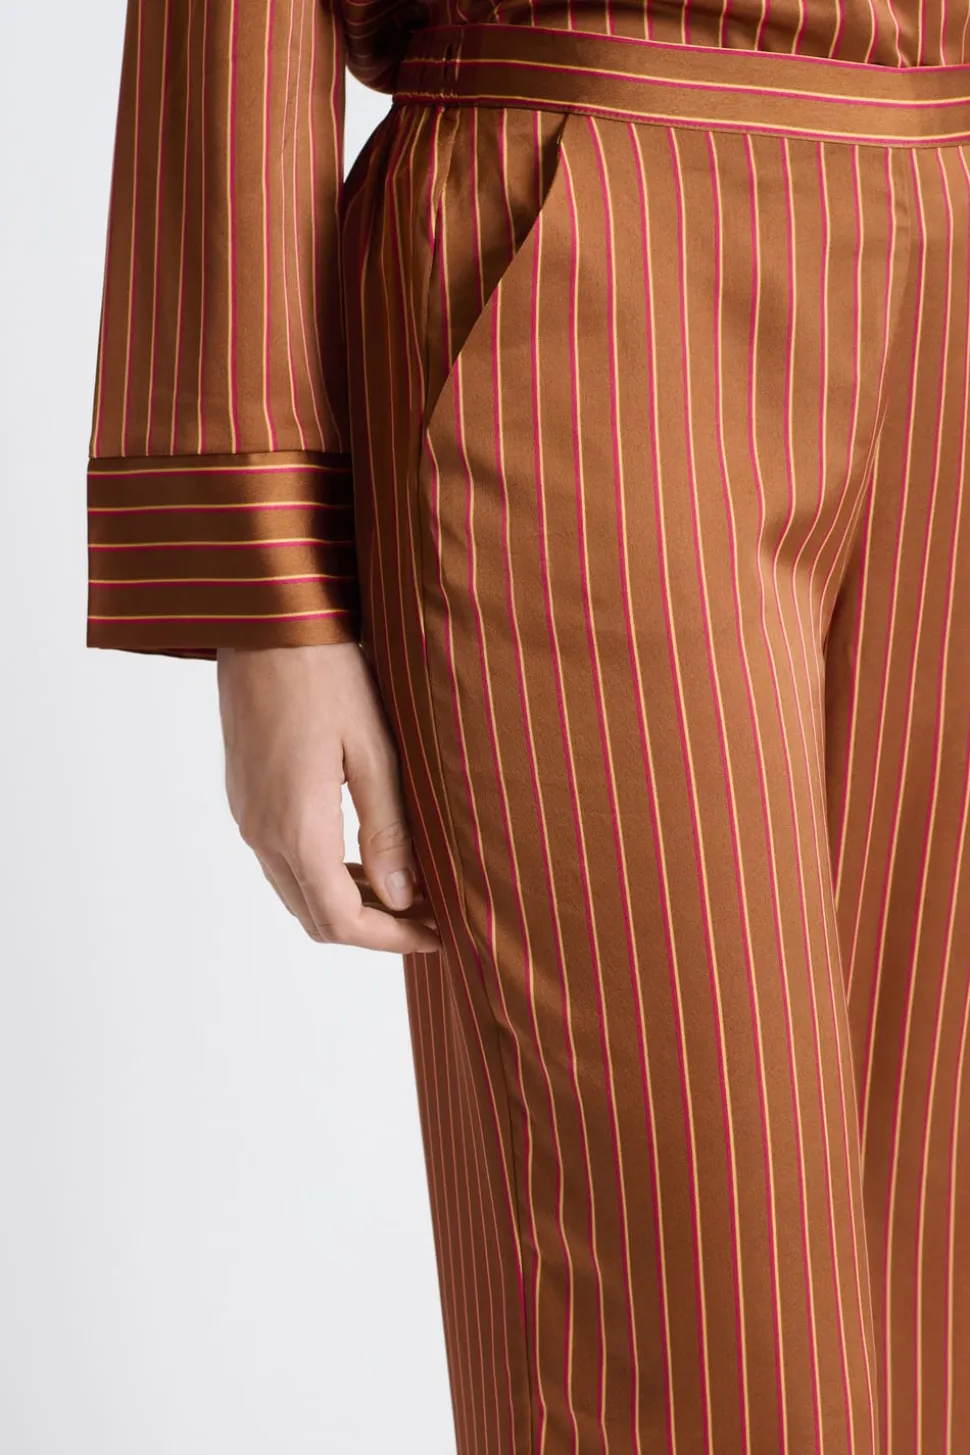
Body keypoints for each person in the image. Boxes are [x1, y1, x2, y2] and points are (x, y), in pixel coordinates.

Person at [86, 2, 970, 1451]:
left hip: (945, 215)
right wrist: (263, 572)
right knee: (706, 1349)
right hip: (585, 225)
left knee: (933, 1309)